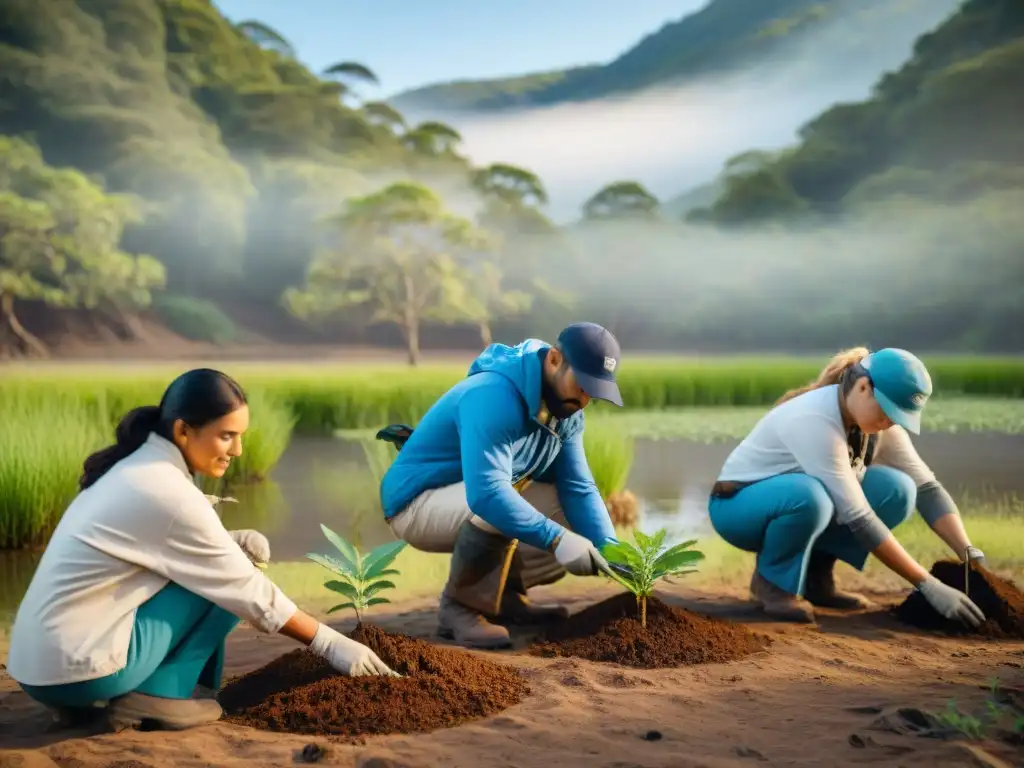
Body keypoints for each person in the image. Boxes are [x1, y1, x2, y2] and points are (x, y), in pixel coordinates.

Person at [6, 368, 398, 734]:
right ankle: (163, 694)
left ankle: (88, 705)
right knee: (242, 569)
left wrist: (224, 541)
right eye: (226, 436)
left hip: (40, 671)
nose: (237, 450)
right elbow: (248, 591)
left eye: (240, 436)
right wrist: (331, 643)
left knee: (223, 565)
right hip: (82, 671)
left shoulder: (132, 469)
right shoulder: (169, 491)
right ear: (183, 430)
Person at [378, 322, 624, 648]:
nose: (585, 398)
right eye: (582, 384)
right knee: (501, 504)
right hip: (415, 504)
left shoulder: (567, 410)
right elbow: (488, 494)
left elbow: (578, 487)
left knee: (566, 510)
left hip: (470, 495)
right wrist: (558, 539)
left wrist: (612, 551)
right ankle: (461, 609)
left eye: (594, 391)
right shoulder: (492, 395)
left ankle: (505, 599)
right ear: (554, 360)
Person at [707, 347, 987, 626]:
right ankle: (773, 584)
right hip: (738, 507)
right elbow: (859, 517)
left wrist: (968, 552)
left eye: (898, 416)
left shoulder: (879, 426)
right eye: (888, 411)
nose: (889, 422)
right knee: (810, 497)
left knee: (897, 489)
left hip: (799, 503)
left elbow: (928, 489)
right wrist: (928, 585)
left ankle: (816, 579)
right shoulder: (815, 418)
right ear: (864, 387)